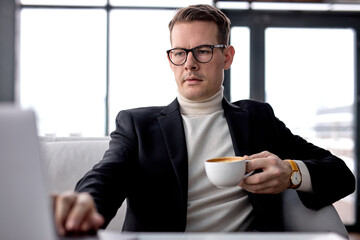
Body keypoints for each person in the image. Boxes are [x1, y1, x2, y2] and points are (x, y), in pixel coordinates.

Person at [54, 4, 355, 236]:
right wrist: (84, 205)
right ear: (170, 59)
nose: (190, 63)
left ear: (227, 57)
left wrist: (290, 173)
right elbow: (106, 177)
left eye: (202, 51)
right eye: (179, 53)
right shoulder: (138, 125)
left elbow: (342, 175)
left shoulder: (257, 118)